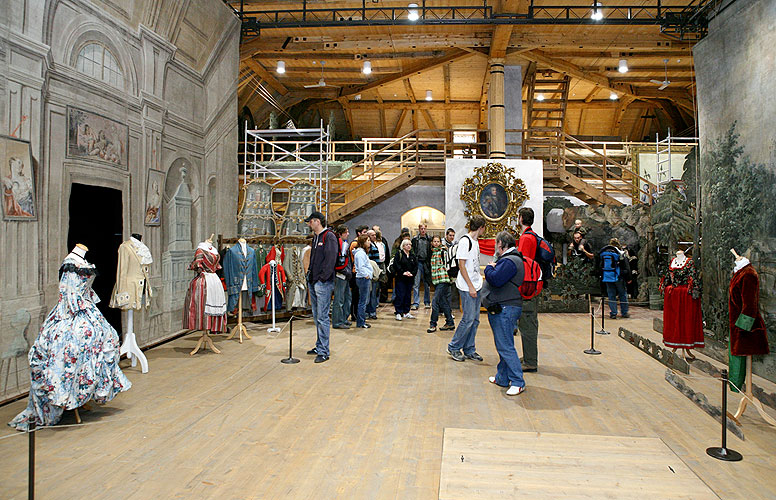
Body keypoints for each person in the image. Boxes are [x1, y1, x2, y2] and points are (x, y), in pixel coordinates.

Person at [484, 231, 526, 396]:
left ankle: (517, 381)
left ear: (500, 244)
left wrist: (489, 268)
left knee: (505, 346)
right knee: (503, 343)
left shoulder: (510, 261)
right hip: (505, 306)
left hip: (507, 308)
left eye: (496, 244)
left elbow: (495, 279)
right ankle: (502, 377)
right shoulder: (510, 259)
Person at [447, 215, 486, 362]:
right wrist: (470, 286)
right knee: (468, 319)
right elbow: (461, 265)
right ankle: (454, 347)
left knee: (475, 320)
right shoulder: (465, 241)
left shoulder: (475, 242)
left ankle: (469, 348)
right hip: (467, 286)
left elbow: (473, 264)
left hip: (476, 284)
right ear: (481, 227)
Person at [305, 211, 338, 363]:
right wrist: (310, 277)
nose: (309, 224)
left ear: (317, 221)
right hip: (314, 281)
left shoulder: (329, 236)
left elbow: (331, 259)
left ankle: (324, 350)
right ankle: (319, 346)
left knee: (323, 317)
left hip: (323, 283)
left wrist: (322, 278)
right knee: (317, 316)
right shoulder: (316, 238)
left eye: (310, 221)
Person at [517, 207, 539, 373]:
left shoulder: (526, 238)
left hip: (527, 287)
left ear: (521, 218)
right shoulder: (532, 236)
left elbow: (522, 264)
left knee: (527, 324)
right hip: (532, 286)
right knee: (528, 323)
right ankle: (528, 356)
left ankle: (530, 361)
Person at [597, 238, 631, 319]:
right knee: (622, 294)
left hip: (607, 277)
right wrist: (629, 277)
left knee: (611, 295)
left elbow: (600, 265)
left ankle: (613, 313)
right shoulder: (620, 252)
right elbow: (626, 266)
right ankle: (624, 312)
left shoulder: (604, 253)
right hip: (618, 276)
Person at [427, 235, 455, 333]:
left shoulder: (443, 252)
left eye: (438, 241)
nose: (436, 243)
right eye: (434, 241)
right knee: (443, 302)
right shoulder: (432, 253)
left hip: (443, 279)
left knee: (435, 302)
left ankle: (433, 324)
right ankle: (450, 323)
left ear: (440, 242)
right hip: (436, 280)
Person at [332, 225, 352, 330]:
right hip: (340, 274)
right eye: (346, 232)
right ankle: (337, 321)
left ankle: (343, 319)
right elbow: (339, 261)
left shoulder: (343, 244)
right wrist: (345, 271)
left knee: (347, 298)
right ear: (340, 233)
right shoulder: (337, 244)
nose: (348, 234)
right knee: (339, 299)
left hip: (345, 274)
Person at [391, 239, 417, 321]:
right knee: (400, 295)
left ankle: (406, 312)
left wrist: (412, 273)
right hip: (401, 278)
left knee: (408, 295)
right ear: (403, 246)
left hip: (409, 279)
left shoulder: (412, 255)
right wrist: (403, 272)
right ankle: (398, 312)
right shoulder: (399, 254)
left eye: (410, 244)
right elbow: (396, 265)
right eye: (407, 244)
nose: (409, 246)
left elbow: (415, 266)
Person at [349, 225, 370, 322]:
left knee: (361, 299)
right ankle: (356, 316)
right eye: (365, 232)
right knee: (358, 298)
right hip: (358, 274)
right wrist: (366, 274)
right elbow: (360, 265)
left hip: (361, 274)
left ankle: (360, 317)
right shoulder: (355, 246)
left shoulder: (362, 251)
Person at [353, 234, 374, 329]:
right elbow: (361, 267)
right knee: (363, 301)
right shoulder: (360, 254)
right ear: (363, 242)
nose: (369, 242)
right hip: (363, 278)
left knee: (363, 300)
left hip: (363, 278)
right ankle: (361, 322)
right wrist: (367, 275)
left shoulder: (362, 253)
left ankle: (361, 321)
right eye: (368, 240)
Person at [411, 223, 433, 310]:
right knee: (416, 283)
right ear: (419, 229)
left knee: (426, 283)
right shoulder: (415, 240)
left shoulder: (429, 239)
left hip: (426, 263)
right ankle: (416, 302)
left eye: (424, 228)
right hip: (418, 262)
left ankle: (427, 302)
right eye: (421, 229)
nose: (423, 230)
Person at [373, 225, 392, 302]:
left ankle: (384, 297)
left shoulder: (383, 241)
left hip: (383, 263)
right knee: (376, 282)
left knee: (384, 281)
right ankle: (375, 300)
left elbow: (386, 252)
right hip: (375, 263)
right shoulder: (372, 242)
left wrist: (387, 263)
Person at [365, 229, 381, 319]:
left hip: (375, 271)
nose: (374, 237)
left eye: (375, 235)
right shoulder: (368, 246)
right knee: (369, 293)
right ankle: (368, 311)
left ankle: (372, 311)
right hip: (370, 272)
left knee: (374, 293)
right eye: (372, 235)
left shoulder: (374, 244)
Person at [444, 228, 459, 312]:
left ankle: (451, 307)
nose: (452, 237)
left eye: (453, 235)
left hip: (453, 270)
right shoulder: (443, 244)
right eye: (450, 235)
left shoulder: (454, 244)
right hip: (445, 270)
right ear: (446, 235)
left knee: (452, 290)